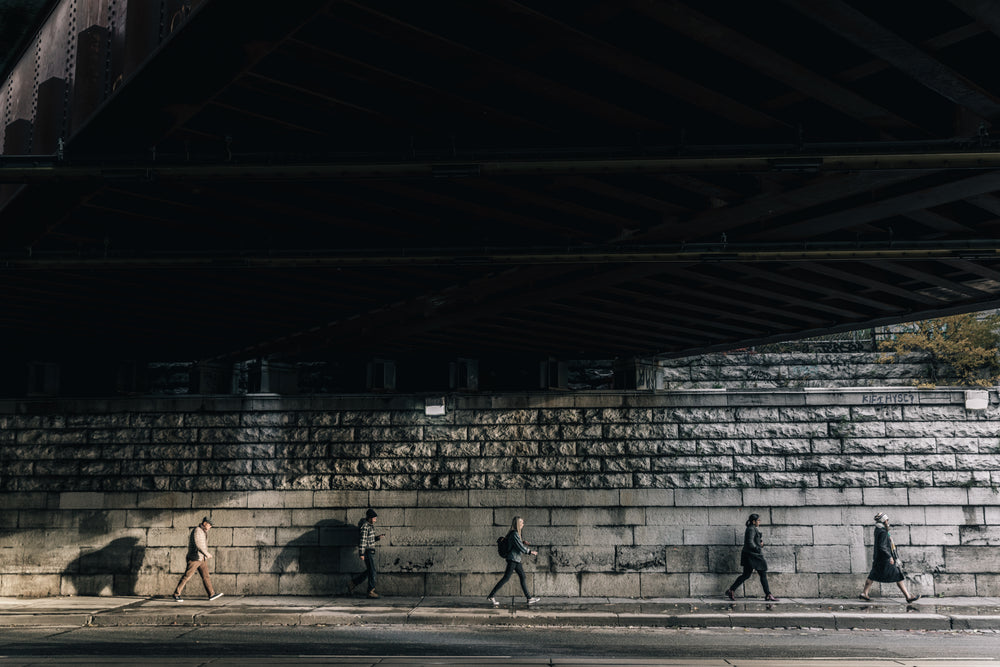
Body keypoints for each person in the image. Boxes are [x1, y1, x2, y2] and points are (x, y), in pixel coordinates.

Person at [860, 512, 919, 603]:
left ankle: (865, 593)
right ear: (883, 521)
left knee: (873, 575)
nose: (888, 522)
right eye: (886, 520)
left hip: (878, 558)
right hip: (885, 559)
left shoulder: (878, 529)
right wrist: (889, 557)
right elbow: (883, 546)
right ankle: (908, 596)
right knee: (897, 575)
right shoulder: (883, 532)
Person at [487, 516, 540, 606]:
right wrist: (531, 552)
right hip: (513, 559)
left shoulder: (514, 534)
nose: (523, 524)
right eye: (522, 522)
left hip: (516, 559)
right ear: (517, 524)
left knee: (522, 577)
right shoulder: (514, 534)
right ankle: (491, 595)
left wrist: (522, 542)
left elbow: (516, 544)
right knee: (506, 578)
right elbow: (520, 548)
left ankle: (529, 598)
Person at [725, 513, 778, 602]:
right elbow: (749, 543)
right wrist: (758, 548)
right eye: (758, 520)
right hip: (753, 556)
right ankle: (768, 594)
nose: (759, 522)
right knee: (760, 574)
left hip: (751, 555)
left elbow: (753, 541)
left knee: (747, 575)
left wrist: (760, 544)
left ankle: (731, 590)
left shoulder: (752, 529)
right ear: (753, 521)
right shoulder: (751, 529)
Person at [173, 517, 223, 602]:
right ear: (204, 523)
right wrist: (206, 553)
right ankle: (176, 594)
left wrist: (204, 555)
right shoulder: (198, 531)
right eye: (209, 524)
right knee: (187, 576)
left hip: (201, 558)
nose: (210, 526)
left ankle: (211, 594)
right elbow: (198, 545)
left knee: (206, 576)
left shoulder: (203, 531)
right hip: (195, 559)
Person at [349, 508, 385, 598]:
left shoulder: (369, 526)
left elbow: (369, 539)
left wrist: (377, 538)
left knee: (370, 571)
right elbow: (363, 540)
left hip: (370, 551)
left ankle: (353, 583)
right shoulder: (365, 527)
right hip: (368, 552)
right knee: (372, 571)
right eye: (374, 518)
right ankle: (370, 591)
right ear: (370, 518)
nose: (375, 519)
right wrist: (361, 553)